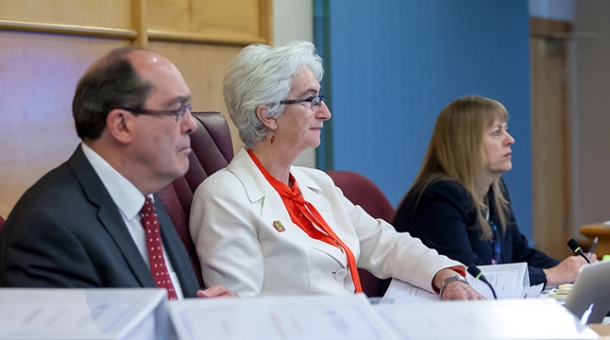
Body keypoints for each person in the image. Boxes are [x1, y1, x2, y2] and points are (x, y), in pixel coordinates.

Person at [189, 41, 483, 300]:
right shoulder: (223, 196)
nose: (325, 112)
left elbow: (387, 245)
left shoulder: (315, 183)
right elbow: (239, 314)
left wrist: (446, 276)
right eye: (310, 99)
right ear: (268, 115)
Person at [0, 47, 233, 299]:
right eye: (176, 111)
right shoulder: (48, 229)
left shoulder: (146, 200)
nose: (190, 125)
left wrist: (211, 318)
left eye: (188, 108)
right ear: (121, 125)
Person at [392, 95, 595, 287]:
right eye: (497, 132)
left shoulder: (494, 191)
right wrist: (553, 275)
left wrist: (577, 269)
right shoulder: (438, 198)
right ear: (466, 144)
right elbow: (469, 274)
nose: (510, 139)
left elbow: (520, 253)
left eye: (506, 130)